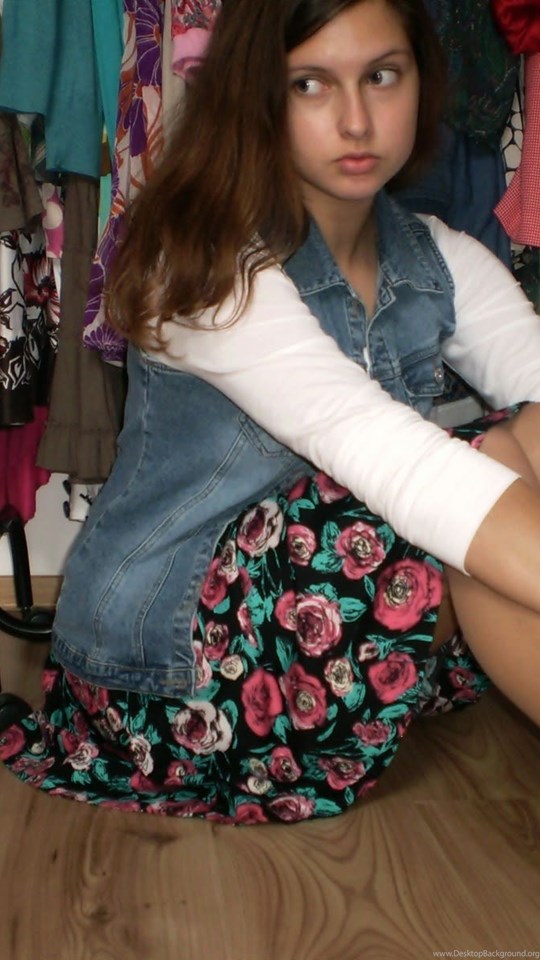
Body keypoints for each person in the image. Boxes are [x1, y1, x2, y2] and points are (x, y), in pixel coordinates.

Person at [1, 0, 540, 825]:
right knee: (465, 468)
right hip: (162, 669)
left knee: (521, 436)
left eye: (381, 76)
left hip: (310, 628)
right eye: (310, 84)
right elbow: (385, 452)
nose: (356, 120)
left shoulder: (438, 256)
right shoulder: (208, 263)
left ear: (422, 83)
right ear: (258, 96)